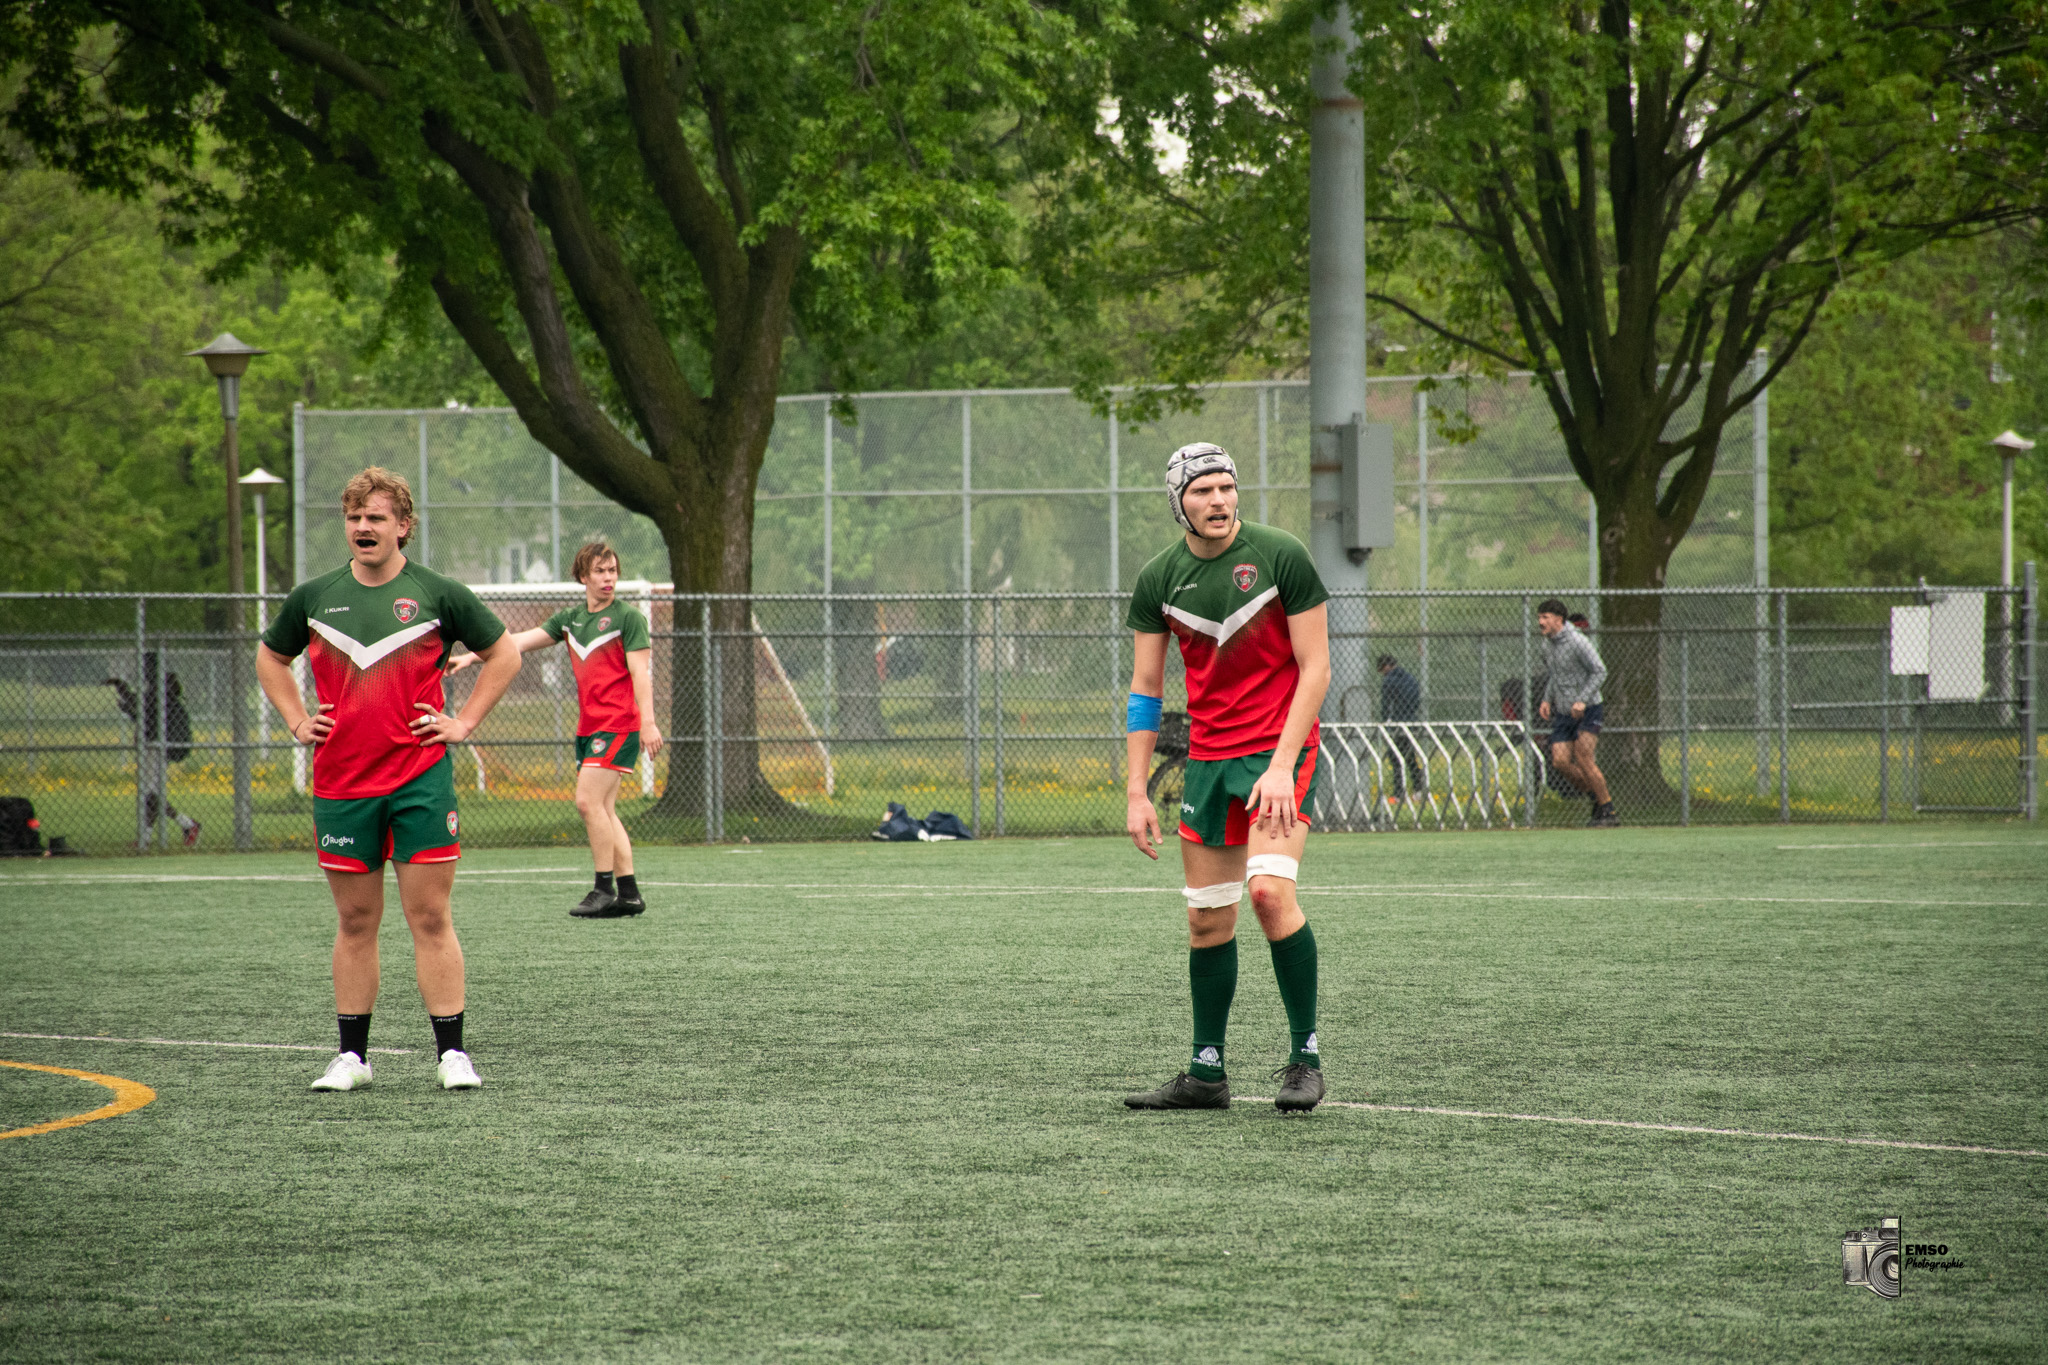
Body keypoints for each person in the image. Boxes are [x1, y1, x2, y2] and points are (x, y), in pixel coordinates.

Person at [256, 467, 523, 1093]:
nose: (363, 528)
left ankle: (452, 1054)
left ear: (403, 526)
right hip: (343, 784)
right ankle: (352, 1057)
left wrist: (464, 722)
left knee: (429, 916)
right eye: (354, 517)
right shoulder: (313, 597)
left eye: (376, 518)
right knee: (355, 922)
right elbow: (271, 656)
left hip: (420, 780)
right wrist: (297, 719)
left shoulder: (437, 593)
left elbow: (504, 654)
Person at [1122, 441, 1331, 1114]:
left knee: (1269, 894)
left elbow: (1317, 667)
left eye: (1226, 487)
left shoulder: (1281, 555)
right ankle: (1205, 1072)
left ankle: (1306, 1057)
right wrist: (1134, 790)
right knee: (1207, 920)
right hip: (1209, 762)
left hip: (1279, 752)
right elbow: (1146, 690)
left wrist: (1279, 765)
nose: (1218, 500)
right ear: (1177, 502)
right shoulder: (1159, 578)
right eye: (1202, 490)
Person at [449, 542, 662, 918]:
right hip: (590, 727)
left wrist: (648, 722)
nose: (608, 578)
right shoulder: (570, 619)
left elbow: (641, 674)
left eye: (612, 570)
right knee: (606, 810)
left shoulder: (628, 617)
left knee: (587, 802)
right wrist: (470, 656)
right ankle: (629, 894)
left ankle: (602, 888)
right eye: (600, 571)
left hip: (618, 725)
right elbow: (517, 643)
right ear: (582, 576)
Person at [1535, 598, 1617, 827]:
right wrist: (1546, 699)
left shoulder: (1578, 642)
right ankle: (1597, 798)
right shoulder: (1546, 646)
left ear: (1559, 620)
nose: (1540, 622)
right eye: (1539, 617)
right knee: (1560, 761)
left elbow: (1600, 671)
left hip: (1588, 709)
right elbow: (1556, 674)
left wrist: (1582, 699)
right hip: (1563, 712)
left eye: (1545, 617)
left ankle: (1609, 813)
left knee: (1583, 757)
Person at [104, 653, 199, 846]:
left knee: (150, 795)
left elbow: (141, 712)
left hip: (156, 747)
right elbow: (141, 709)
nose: (143, 672)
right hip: (155, 746)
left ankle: (187, 824)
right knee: (151, 795)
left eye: (145, 668)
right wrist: (121, 688)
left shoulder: (158, 690)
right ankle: (146, 839)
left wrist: (124, 698)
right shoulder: (157, 689)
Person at [1375, 653, 1425, 799]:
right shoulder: (1410, 678)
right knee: (1410, 757)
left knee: (1395, 758)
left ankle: (1399, 793)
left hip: (1396, 723)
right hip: (1411, 720)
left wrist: (1386, 721)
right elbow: (1416, 701)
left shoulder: (1389, 681)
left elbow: (1386, 704)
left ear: (1385, 667)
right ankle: (1418, 790)